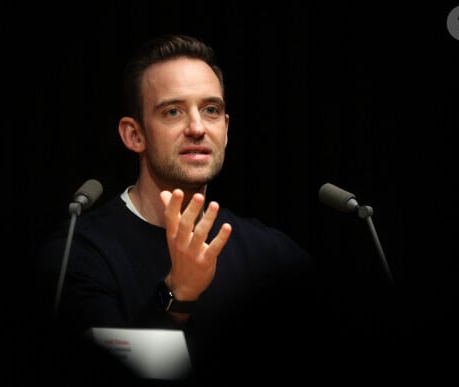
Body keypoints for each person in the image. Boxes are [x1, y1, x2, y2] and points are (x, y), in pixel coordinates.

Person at [37, 34, 324, 386]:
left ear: (226, 129)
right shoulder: (78, 253)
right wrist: (176, 291)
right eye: (173, 111)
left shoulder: (276, 254)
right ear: (134, 135)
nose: (197, 128)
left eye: (211, 110)